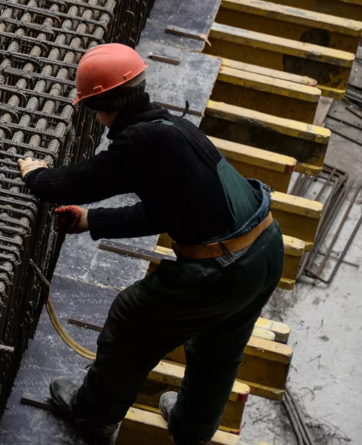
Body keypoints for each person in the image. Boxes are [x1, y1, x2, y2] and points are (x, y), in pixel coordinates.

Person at [17, 44, 285, 445]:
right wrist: (93, 219)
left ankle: (92, 415)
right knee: (219, 347)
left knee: (131, 317)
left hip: (219, 271)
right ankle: (192, 426)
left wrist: (35, 174)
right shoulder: (173, 128)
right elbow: (166, 211)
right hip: (265, 247)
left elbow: (72, 183)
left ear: (99, 106)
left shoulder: (138, 143)